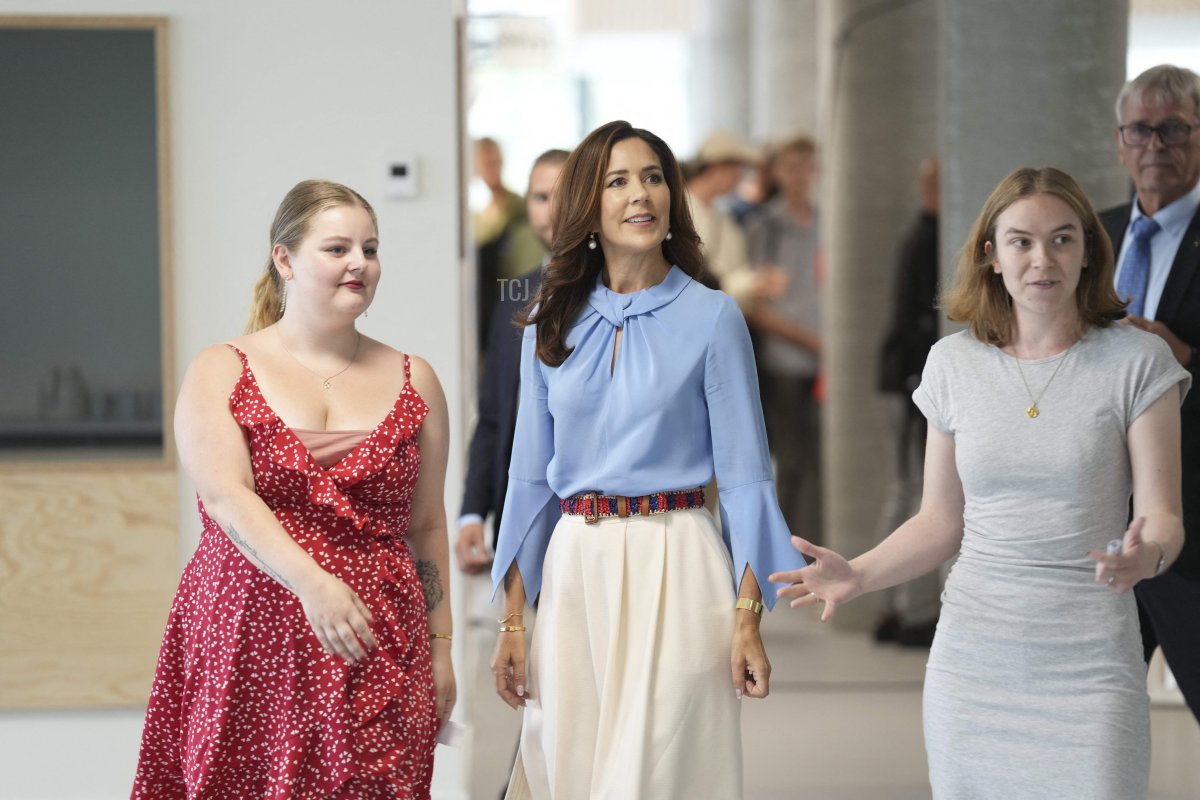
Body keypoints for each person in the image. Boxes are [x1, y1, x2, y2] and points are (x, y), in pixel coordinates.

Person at [771, 167, 1189, 798]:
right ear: (991, 256)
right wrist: (859, 574)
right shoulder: (954, 363)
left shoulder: (1136, 363)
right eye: (1021, 241)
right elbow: (941, 520)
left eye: (1062, 239)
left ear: (1088, 251)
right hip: (974, 662)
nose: (1042, 259)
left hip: (1090, 663)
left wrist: (1147, 555)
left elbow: (1163, 515)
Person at [489, 120, 806, 800]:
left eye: (654, 177)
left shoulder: (714, 317)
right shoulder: (547, 317)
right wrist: (515, 621)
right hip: (575, 571)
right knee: (571, 776)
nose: (642, 194)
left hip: (681, 562)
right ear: (589, 208)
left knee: (657, 777)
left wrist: (749, 614)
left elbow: (749, 478)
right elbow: (528, 481)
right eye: (618, 181)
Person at [131, 180, 455, 798]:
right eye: (337, 248)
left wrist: (441, 651)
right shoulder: (220, 368)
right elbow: (228, 499)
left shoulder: (418, 378)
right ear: (285, 259)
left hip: (377, 647)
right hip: (246, 641)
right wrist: (316, 586)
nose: (360, 263)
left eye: (371, 247)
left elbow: (428, 527)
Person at [1100, 63, 1200, 724]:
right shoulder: (1089, 234)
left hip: (1192, 521)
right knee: (1092, 711)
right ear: (1120, 141)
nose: (1155, 146)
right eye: (1141, 130)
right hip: (1103, 523)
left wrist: (1185, 357)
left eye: (1173, 129)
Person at [457, 148, 569, 575]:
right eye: (541, 198)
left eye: (566, 194)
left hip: (600, 516)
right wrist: (473, 512)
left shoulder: (621, 298)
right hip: (522, 512)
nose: (554, 211)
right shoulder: (515, 294)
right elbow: (492, 413)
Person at [873, 157, 942, 647]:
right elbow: (917, 321)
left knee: (909, 489)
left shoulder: (923, 238)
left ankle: (896, 605)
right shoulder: (927, 241)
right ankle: (904, 606)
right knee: (913, 490)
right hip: (911, 382)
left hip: (907, 379)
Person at [745, 134, 825, 544]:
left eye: (806, 165)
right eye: (790, 166)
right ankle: (784, 550)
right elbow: (756, 307)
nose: (799, 176)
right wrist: (811, 342)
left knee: (821, 461)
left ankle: (810, 546)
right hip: (785, 361)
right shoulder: (766, 228)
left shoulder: (828, 223)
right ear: (777, 171)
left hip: (823, 362)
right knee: (791, 462)